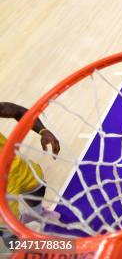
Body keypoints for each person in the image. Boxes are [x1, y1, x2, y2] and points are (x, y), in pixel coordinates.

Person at [0, 102, 61, 245]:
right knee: (10, 230)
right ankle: (23, 250)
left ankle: (37, 213)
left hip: (14, 165)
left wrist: (43, 131)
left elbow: (17, 111)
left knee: (38, 187)